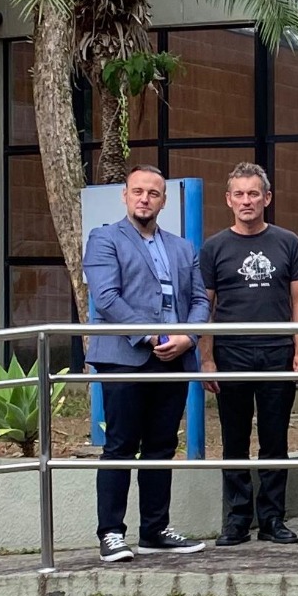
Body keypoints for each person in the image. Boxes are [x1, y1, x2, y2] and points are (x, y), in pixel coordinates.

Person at [82, 164, 212, 562]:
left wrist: (186, 337)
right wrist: (155, 336)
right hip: (126, 357)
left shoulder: (182, 247)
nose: (144, 198)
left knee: (161, 445)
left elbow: (200, 301)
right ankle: (111, 534)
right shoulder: (105, 238)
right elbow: (107, 299)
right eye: (137, 191)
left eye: (153, 193)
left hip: (173, 358)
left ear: (163, 200)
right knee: (120, 445)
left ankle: (154, 529)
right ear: (125, 195)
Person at [200, 162, 298, 549]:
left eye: (254, 194)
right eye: (239, 194)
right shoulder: (213, 248)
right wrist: (207, 359)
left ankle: (272, 518)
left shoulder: (287, 242)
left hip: (277, 352)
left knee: (275, 439)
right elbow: (205, 306)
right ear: (229, 200)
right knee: (234, 439)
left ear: (267, 197)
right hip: (231, 354)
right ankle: (237, 519)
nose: (247, 201)